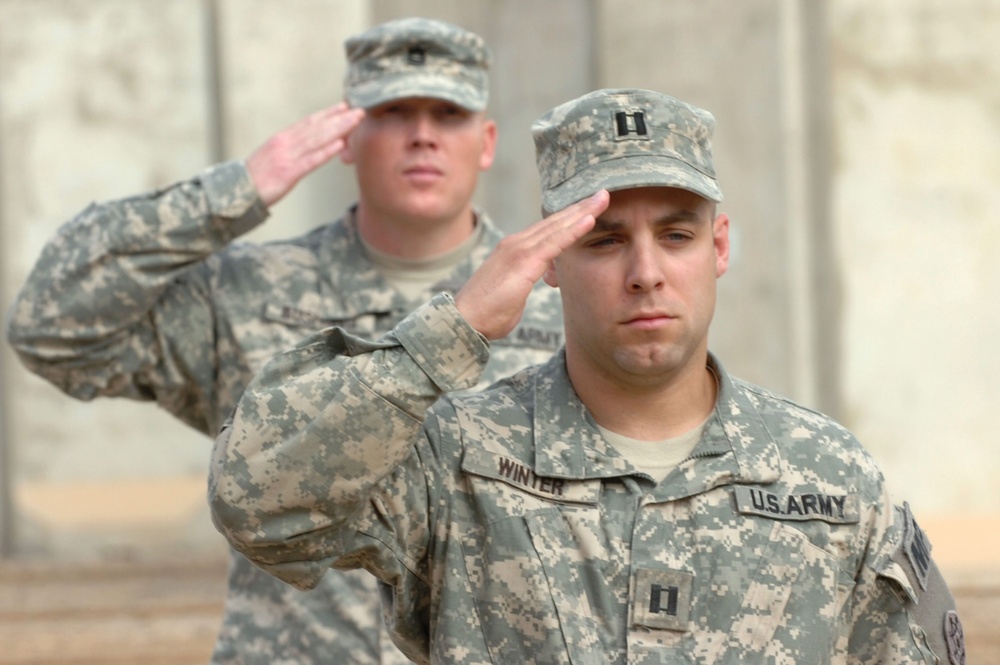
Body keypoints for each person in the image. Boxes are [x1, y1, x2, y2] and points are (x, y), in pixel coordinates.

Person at [209, 87, 966, 664]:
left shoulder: (827, 473)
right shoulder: (459, 459)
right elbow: (258, 502)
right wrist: (451, 330)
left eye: (675, 235)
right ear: (549, 260)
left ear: (720, 247)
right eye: (603, 240)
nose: (645, 274)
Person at [5, 17, 564, 665]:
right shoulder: (250, 291)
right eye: (392, 110)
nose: (422, 135)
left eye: (448, 112)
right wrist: (232, 191)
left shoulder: (555, 299)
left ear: (487, 140)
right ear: (349, 135)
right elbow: (49, 325)